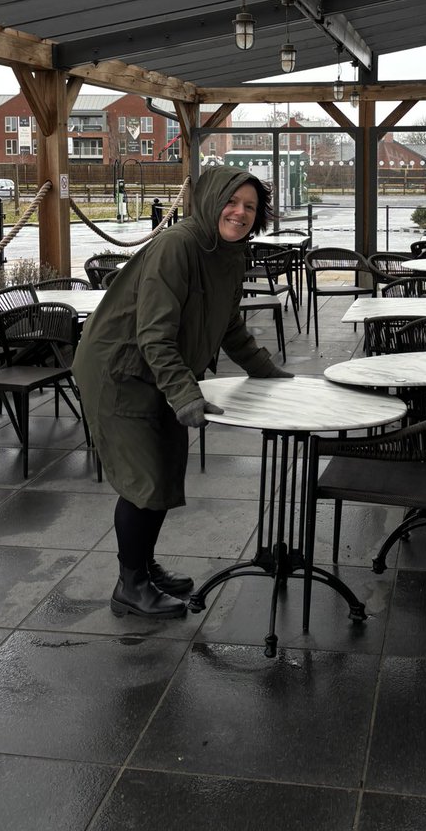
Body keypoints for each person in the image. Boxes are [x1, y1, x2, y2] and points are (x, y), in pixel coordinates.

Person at [72, 166, 293, 620]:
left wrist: (266, 371)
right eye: (232, 202)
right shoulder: (179, 245)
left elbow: (229, 323)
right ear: (212, 199)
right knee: (145, 479)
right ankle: (129, 587)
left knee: (164, 471)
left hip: (158, 372)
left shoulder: (230, 252)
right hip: (120, 370)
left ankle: (142, 566)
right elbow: (153, 334)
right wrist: (185, 395)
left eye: (250, 207)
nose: (240, 213)